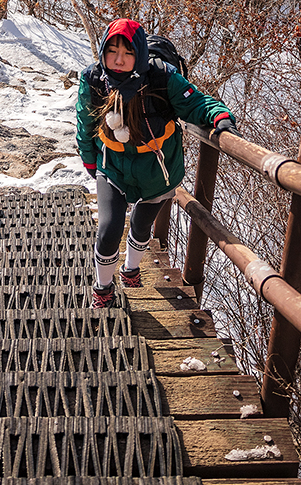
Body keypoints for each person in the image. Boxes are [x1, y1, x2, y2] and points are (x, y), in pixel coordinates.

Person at [75, 17, 238, 307]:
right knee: (109, 228)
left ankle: (131, 270)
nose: (119, 60)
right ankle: (102, 290)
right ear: (102, 51)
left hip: (159, 169)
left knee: (141, 226)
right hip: (113, 165)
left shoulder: (162, 77)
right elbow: (85, 124)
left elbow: (196, 103)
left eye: (128, 53)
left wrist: (220, 116)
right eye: (112, 51)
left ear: (140, 53)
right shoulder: (94, 80)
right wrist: (90, 161)